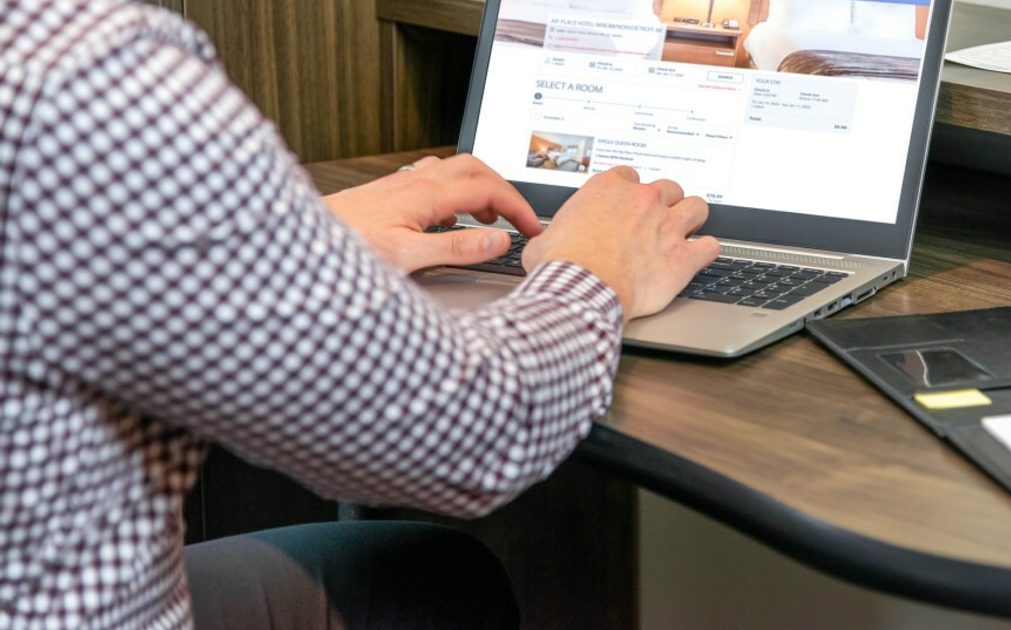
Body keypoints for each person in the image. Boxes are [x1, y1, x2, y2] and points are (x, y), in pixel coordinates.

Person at [0, 1, 718, 628]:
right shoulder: (82, 85)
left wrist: (283, 243)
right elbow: (470, 431)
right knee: (434, 588)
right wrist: (596, 269)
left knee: (421, 580)